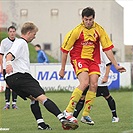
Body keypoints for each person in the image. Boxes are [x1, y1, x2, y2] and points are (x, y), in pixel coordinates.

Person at [5, 22, 78, 130]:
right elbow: (9, 55)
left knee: (34, 99)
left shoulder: (19, 42)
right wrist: (9, 64)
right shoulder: (21, 42)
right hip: (21, 76)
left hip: (12, 79)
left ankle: (41, 124)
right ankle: (63, 119)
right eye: (34, 34)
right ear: (29, 33)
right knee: (42, 97)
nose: (35, 37)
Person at [59, 7, 126, 125]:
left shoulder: (99, 30)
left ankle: (85, 115)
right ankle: (68, 111)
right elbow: (65, 50)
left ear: (93, 18)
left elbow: (107, 49)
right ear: (82, 19)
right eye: (86, 20)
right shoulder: (76, 31)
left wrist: (116, 65)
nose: (88, 22)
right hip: (79, 58)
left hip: (94, 60)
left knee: (94, 84)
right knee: (85, 83)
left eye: (90, 19)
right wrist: (63, 68)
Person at [73, 49, 119, 124]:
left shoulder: (101, 50)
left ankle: (115, 116)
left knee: (107, 96)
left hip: (99, 79)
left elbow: (108, 63)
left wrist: (106, 76)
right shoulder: (88, 48)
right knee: (82, 97)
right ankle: (74, 118)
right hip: (90, 78)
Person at [0, 26, 18, 109]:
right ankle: (7, 103)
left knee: (15, 84)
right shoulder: (4, 42)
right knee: (8, 84)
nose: (12, 33)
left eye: (14, 31)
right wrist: (1, 67)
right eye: (10, 31)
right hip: (5, 67)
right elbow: (1, 55)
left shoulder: (18, 42)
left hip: (15, 67)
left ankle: (14, 103)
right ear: (8, 32)